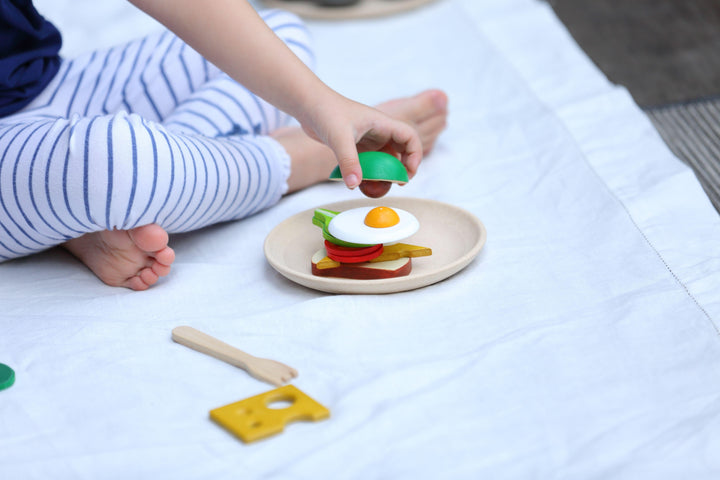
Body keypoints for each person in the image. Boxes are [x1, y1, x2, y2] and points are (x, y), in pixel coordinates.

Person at [0, 0, 448, 290]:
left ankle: (105, 203)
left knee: (277, 32)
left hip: (48, 83)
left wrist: (320, 103)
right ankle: (298, 157)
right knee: (112, 161)